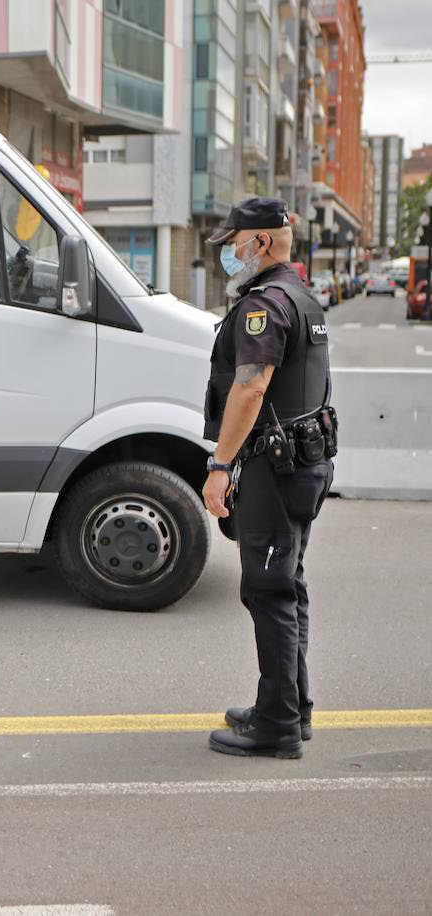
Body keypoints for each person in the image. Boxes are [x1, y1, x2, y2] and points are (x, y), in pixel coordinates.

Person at [200, 197, 336, 759]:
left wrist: (219, 465)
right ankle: (289, 707)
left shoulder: (267, 305)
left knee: (269, 590)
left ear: (259, 242)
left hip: (274, 470)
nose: (228, 255)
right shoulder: (302, 294)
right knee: (287, 585)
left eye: (233, 245)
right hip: (301, 466)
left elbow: (251, 387)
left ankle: (276, 726)